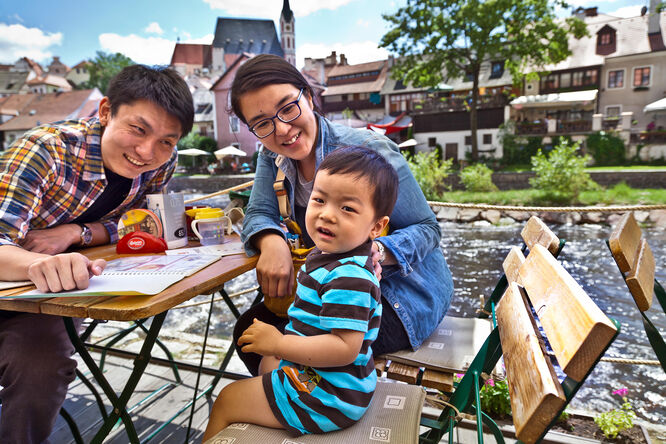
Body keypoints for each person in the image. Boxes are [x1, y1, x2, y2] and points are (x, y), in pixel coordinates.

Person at [0, 64, 193, 444]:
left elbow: (136, 224)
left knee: (44, 365)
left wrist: (75, 233)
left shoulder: (161, 162)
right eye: (138, 129)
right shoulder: (47, 149)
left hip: (50, 300)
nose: (146, 152)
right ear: (105, 112)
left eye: (166, 141)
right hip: (20, 280)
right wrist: (43, 263)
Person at [231, 54, 454, 377]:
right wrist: (271, 241)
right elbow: (259, 211)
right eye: (263, 123)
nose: (282, 129)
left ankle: (316, 411)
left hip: (400, 296)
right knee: (248, 331)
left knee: (292, 347)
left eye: (288, 108)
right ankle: (298, 405)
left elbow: (428, 228)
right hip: (333, 287)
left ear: (308, 97)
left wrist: (378, 251)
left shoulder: (367, 150)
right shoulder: (272, 156)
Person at [203, 146, 399, 440]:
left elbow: (345, 348)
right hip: (332, 380)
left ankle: (284, 409)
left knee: (227, 399)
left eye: (347, 208)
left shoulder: (348, 276)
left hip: (330, 394)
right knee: (267, 364)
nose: (327, 215)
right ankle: (274, 404)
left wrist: (279, 344)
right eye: (319, 200)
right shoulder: (332, 257)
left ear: (376, 226)